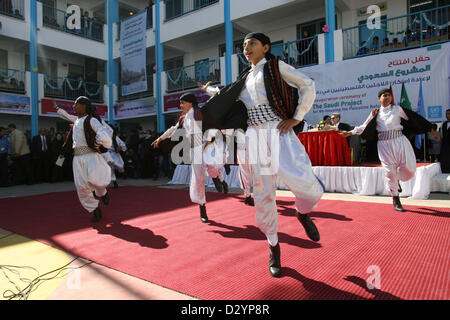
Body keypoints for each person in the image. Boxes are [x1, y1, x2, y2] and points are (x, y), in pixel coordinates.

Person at [199, 32, 323, 277]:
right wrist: (209, 89)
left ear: (266, 47)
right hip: (255, 136)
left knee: (307, 185)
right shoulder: (244, 77)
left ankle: (303, 212)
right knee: (264, 192)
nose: (247, 48)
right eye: (244, 46)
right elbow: (225, 94)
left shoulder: (276, 67)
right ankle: (274, 247)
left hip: (278, 132)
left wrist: (297, 117)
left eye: (252, 44)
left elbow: (307, 84)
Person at [340, 88, 431, 212]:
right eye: (384, 95)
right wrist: (350, 132)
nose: (387, 97)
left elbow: (413, 119)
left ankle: (397, 179)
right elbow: (364, 126)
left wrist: (428, 128)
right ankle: (395, 199)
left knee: (409, 171)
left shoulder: (397, 109)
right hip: (384, 145)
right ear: (379, 98)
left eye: (389, 95)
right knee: (389, 172)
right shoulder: (375, 113)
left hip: (400, 141)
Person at [152, 93, 229, 223]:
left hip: (206, 144)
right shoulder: (183, 118)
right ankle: (202, 208)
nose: (180, 105)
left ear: (190, 103)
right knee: (198, 179)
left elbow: (212, 125)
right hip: (194, 149)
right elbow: (173, 129)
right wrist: (160, 138)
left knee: (213, 165)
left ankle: (219, 179)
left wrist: (210, 140)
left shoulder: (200, 112)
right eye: (180, 103)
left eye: (183, 103)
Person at [53, 96, 112, 222]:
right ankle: (95, 209)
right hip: (77, 158)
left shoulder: (92, 120)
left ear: (83, 106)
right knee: (81, 186)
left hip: (91, 156)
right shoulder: (76, 121)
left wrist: (99, 144)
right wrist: (57, 108)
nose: (73, 107)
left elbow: (105, 136)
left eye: (75, 104)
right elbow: (67, 119)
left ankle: (103, 193)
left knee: (96, 181)